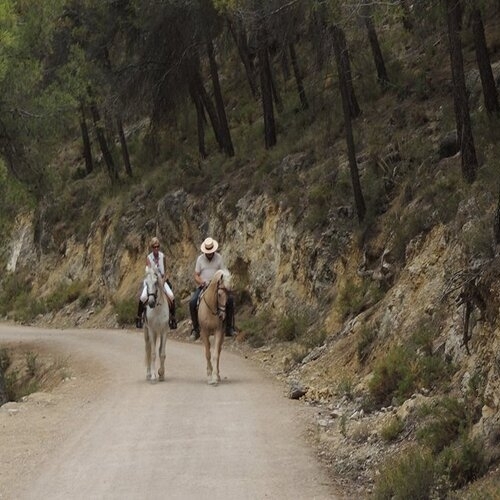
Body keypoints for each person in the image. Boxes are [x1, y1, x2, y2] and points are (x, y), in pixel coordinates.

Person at [189, 237, 235, 340]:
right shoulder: (200, 259)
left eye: (211, 251)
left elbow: (224, 272)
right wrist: (201, 282)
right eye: (208, 251)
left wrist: (223, 282)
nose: (209, 253)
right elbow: (196, 275)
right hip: (204, 286)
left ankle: (229, 328)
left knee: (230, 300)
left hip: (217, 286)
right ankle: (195, 329)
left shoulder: (219, 258)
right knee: (192, 302)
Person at [136, 236, 177, 330]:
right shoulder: (149, 258)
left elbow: (165, 271)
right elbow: (149, 271)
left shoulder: (163, 256)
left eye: (158, 246)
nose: (156, 248)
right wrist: (155, 280)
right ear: (152, 247)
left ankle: (173, 318)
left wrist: (164, 279)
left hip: (162, 281)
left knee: (171, 296)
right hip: (151, 281)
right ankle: (139, 318)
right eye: (154, 247)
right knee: (143, 297)